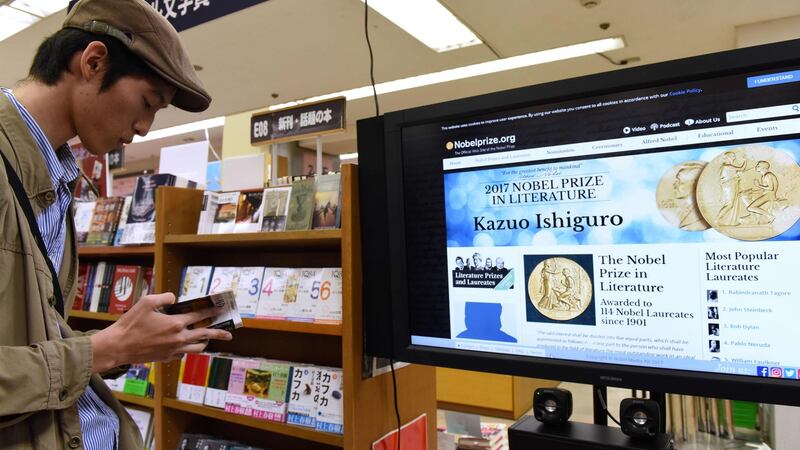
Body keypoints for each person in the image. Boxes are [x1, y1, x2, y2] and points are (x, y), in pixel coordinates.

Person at [0, 1, 231, 448]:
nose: (144, 128)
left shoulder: (57, 179)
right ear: (93, 61)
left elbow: (34, 336)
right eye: (148, 103)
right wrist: (108, 349)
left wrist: (126, 342)